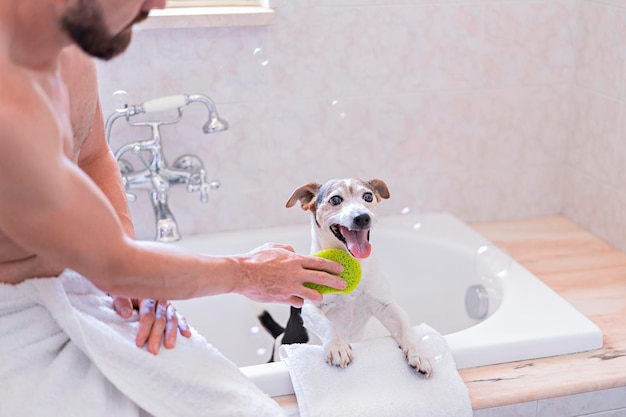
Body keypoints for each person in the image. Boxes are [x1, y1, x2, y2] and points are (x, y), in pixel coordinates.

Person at [0, 0, 346, 415]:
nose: (159, 3)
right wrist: (250, 273)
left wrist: (135, 278)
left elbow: (92, 154)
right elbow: (115, 263)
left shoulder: (64, 49)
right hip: (15, 332)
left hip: (80, 289)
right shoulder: (9, 110)